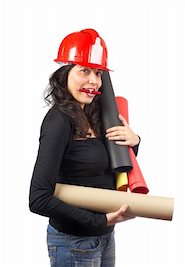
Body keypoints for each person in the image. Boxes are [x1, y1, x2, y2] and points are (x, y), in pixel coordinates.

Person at [29, 29, 140, 266]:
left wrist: (134, 141)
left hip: (105, 238)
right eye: (84, 71)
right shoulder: (59, 121)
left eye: (98, 73)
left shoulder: (97, 115)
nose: (93, 80)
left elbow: (105, 167)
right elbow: (38, 198)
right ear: (64, 73)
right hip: (73, 242)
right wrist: (99, 221)